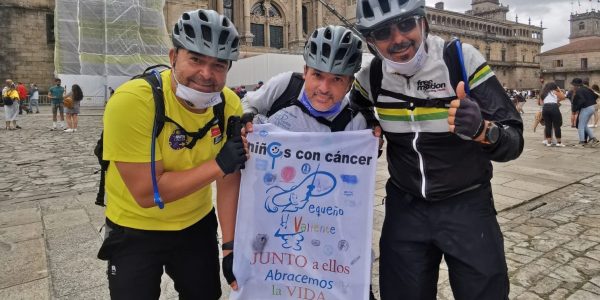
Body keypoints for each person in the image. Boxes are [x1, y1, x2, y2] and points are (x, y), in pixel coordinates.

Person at [351, 1, 524, 298]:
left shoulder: (460, 59)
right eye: (383, 32)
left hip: (467, 206)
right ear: (370, 42)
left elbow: (514, 140)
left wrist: (484, 130)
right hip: (405, 210)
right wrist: (368, 125)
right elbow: (350, 109)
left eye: (406, 24)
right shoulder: (372, 76)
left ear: (424, 23)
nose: (398, 39)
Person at [97, 9, 247, 299]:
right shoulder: (132, 101)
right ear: (173, 56)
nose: (206, 74)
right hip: (134, 228)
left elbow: (229, 180)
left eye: (218, 65)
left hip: (196, 224)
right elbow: (147, 193)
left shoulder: (228, 104)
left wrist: (230, 246)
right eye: (196, 59)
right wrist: (219, 164)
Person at [243, 25, 380, 300]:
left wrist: (373, 137)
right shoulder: (285, 86)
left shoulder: (357, 122)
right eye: (317, 75)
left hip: (328, 228)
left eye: (337, 80)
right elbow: (247, 105)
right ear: (305, 70)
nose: (324, 89)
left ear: (350, 83)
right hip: (275, 224)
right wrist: (244, 122)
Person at [571, 78, 599, 147]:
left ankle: (582, 142)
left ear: (576, 85)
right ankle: (594, 139)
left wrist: (577, 107)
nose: (572, 86)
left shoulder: (579, 90)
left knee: (580, 125)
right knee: (584, 124)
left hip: (586, 108)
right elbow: (595, 95)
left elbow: (582, 100)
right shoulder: (587, 88)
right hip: (593, 107)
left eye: (573, 85)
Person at [538, 82, 566, 147]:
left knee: (548, 126)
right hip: (554, 108)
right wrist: (559, 90)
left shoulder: (543, 93)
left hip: (545, 108)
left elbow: (541, 103)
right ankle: (559, 142)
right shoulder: (555, 92)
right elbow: (563, 97)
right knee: (557, 125)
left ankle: (548, 143)